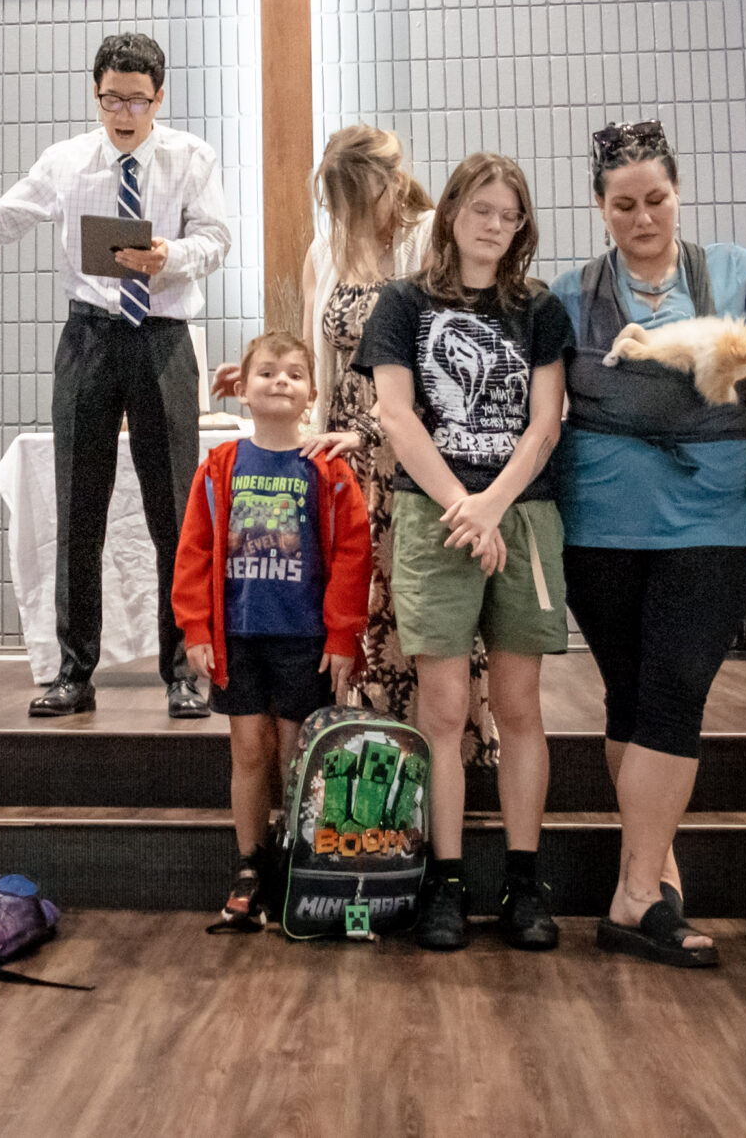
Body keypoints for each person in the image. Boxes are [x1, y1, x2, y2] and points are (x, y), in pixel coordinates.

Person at [0, 33, 231, 718]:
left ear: (159, 96)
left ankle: (183, 671)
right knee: (80, 510)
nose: (123, 111)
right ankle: (75, 671)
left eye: (137, 99)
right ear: (95, 93)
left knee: (176, 514)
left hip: (164, 339)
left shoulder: (191, 157)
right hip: (90, 338)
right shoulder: (67, 161)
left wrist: (171, 256)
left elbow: (218, 240)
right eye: (111, 98)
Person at [216, 127, 497, 766]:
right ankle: (359, 756)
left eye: (355, 197)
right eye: (335, 201)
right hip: (341, 448)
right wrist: (270, 381)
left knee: (413, 605)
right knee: (351, 598)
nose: (343, 214)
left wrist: (376, 428)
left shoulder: (432, 238)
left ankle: (436, 753)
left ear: (393, 184)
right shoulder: (328, 248)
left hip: (415, 445)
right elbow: (320, 354)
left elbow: (445, 359)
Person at [355, 152, 573, 954]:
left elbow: (546, 422)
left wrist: (492, 507)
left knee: (518, 709)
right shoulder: (404, 302)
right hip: (433, 516)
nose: (493, 223)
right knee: (443, 710)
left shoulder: (539, 307)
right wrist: (461, 506)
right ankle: (443, 880)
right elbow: (396, 415)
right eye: (479, 207)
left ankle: (523, 880)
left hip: (520, 517)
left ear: (521, 226)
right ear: (450, 212)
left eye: (508, 212)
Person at [556, 121, 746, 969]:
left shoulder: (737, 275)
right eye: (624, 204)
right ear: (600, 209)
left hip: (711, 522)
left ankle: (632, 894)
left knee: (676, 692)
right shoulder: (569, 295)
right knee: (631, 698)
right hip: (601, 526)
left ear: (680, 194)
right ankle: (655, 870)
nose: (643, 218)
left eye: (657, 199)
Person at [173, 331, 370, 933]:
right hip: (240, 637)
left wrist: (342, 639)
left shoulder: (329, 469)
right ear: (242, 390)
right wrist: (196, 629)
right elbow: (194, 552)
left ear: (312, 392)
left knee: (295, 755)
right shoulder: (220, 466)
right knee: (248, 750)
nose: (279, 382)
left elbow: (351, 558)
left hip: (304, 641)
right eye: (266, 373)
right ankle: (251, 864)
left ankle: (296, 855)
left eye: (292, 374)